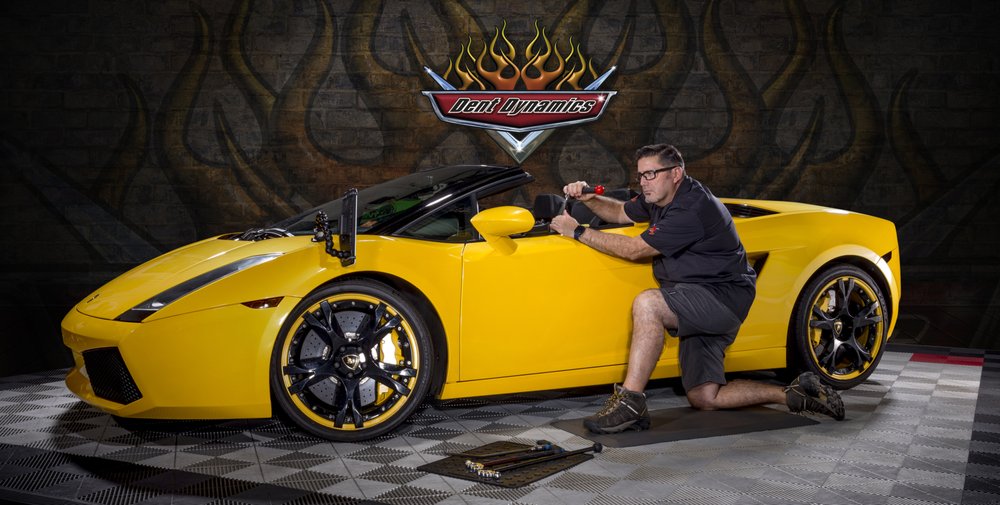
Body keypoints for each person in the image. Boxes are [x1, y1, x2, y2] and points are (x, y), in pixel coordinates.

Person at [549, 143, 845, 434]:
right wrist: (589, 199)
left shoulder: (692, 207)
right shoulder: (660, 196)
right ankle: (796, 394)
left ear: (675, 173)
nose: (644, 182)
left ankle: (630, 403)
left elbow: (634, 250)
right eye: (640, 175)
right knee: (705, 396)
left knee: (649, 304)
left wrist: (577, 231)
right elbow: (621, 212)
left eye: (651, 174)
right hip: (698, 297)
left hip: (721, 299)